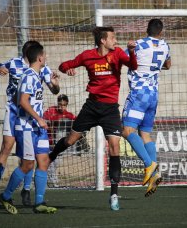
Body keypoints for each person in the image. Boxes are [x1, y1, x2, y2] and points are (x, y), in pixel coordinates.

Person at [48, 26, 137, 210]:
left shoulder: (118, 53)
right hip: (91, 107)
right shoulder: (87, 55)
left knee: (114, 147)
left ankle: (113, 194)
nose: (115, 40)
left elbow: (133, 66)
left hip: (110, 109)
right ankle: (50, 157)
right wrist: (68, 71)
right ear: (103, 41)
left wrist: (131, 51)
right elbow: (64, 65)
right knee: (71, 140)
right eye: (112, 37)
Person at [0, 40, 59, 205]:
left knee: (40, 160)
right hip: (17, 114)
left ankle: (29, 192)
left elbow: (54, 90)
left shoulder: (42, 69)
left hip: (33, 118)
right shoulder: (16, 64)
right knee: (9, 148)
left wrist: (56, 84)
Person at [121, 19, 171, 197]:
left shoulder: (139, 44)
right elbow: (168, 65)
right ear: (161, 31)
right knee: (145, 134)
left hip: (139, 95)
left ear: (146, 29)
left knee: (127, 131)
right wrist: (152, 66)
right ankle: (154, 176)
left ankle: (149, 165)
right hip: (153, 95)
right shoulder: (165, 45)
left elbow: (123, 59)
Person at [43, 94, 77, 187]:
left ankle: (51, 180)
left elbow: (76, 121)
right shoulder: (50, 111)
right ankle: (50, 181)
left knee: (56, 162)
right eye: (60, 105)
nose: (61, 107)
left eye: (64, 105)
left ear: (67, 105)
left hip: (59, 143)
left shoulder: (68, 115)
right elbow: (44, 119)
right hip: (48, 141)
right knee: (49, 161)